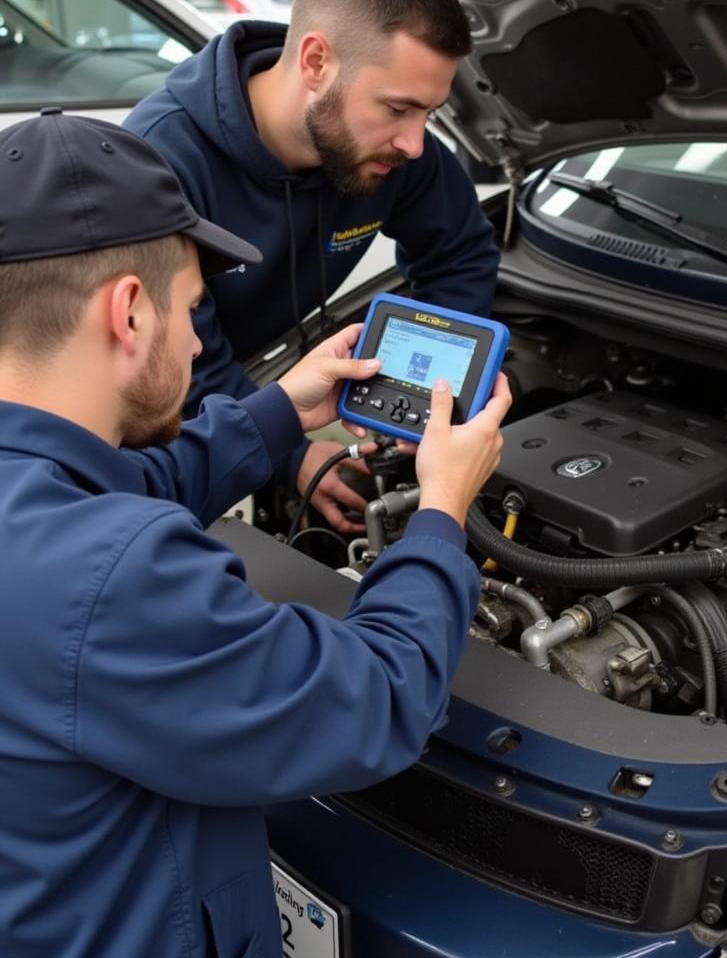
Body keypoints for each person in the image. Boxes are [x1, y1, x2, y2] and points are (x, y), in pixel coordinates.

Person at [0, 110, 510, 957]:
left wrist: (278, 413)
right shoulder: (110, 576)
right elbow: (372, 700)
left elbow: (101, 488)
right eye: (194, 309)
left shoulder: (43, 505)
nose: (200, 335)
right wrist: (440, 514)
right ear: (128, 313)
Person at [125, 0, 501, 535]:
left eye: (429, 113)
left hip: (289, 387)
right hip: (170, 415)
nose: (414, 142)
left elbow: (459, 254)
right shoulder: (161, 160)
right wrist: (288, 457)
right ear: (316, 61)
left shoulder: (397, 152)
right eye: (399, 108)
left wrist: (425, 398)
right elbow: (170, 359)